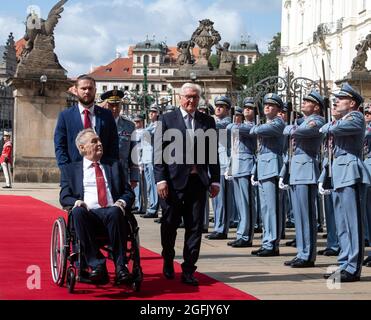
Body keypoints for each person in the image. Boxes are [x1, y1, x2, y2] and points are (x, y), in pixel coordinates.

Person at [154, 82, 220, 286]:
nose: (191, 100)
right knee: (169, 224)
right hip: (172, 183)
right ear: (179, 98)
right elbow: (158, 152)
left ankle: (189, 268)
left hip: (197, 182)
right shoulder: (167, 119)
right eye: (187, 97)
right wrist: (161, 179)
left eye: (195, 97)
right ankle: (167, 259)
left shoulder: (207, 121)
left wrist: (215, 179)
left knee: (195, 227)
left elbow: (212, 152)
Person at [59, 128, 135, 285]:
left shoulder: (114, 165)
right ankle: (96, 264)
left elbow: (129, 193)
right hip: (88, 215)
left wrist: (121, 202)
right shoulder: (71, 170)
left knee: (115, 211)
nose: (99, 143)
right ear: (82, 148)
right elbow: (64, 196)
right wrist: (76, 202)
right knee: (78, 212)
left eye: (99, 140)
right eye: (94, 141)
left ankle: (121, 267)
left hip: (111, 213)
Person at [321, 83, 370, 282]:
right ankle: (344, 263)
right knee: (342, 223)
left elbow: (331, 128)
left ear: (351, 103)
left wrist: (330, 124)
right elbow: (326, 130)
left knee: (352, 223)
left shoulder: (356, 117)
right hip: (339, 173)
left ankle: (353, 267)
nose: (336, 102)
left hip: (351, 172)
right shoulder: (341, 119)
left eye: (340, 99)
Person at [280, 91, 325, 268]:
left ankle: (308, 254)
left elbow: (301, 132)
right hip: (297, 169)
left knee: (306, 215)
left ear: (316, 107)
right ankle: (301, 251)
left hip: (307, 168)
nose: (304, 103)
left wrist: (292, 127)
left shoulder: (318, 121)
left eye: (308, 101)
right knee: (299, 215)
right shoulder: (302, 121)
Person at [54, 75, 119, 167]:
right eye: (83, 88)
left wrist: (111, 168)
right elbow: (60, 145)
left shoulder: (106, 115)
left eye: (90, 88)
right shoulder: (65, 116)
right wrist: (65, 169)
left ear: (95, 91)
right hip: (74, 171)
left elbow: (114, 144)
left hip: (103, 170)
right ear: (76, 91)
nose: (87, 91)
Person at [250, 93, 285, 257]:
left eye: (271, 105)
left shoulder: (278, 122)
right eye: (266, 104)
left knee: (272, 208)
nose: (267, 107)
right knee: (264, 208)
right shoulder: (268, 123)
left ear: (278, 108)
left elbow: (259, 130)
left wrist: (256, 128)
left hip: (272, 167)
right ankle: (266, 240)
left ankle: (272, 243)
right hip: (263, 166)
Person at [226, 105, 256, 247]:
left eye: (250, 108)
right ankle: (240, 233)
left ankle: (246, 236)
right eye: (245, 108)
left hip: (247, 166)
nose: (246, 110)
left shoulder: (252, 127)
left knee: (246, 204)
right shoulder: (239, 126)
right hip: (237, 165)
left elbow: (232, 128)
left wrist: (233, 124)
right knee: (239, 204)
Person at [206, 96, 233, 240]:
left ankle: (222, 228)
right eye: (217, 106)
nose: (218, 108)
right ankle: (218, 226)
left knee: (221, 200)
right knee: (215, 200)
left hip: (224, 165)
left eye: (222, 106)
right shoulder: (216, 123)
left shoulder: (227, 123)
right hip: (216, 165)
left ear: (228, 110)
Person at [101, 89, 139, 189]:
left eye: (117, 105)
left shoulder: (129, 125)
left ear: (121, 105)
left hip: (123, 173)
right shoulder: (100, 123)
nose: (114, 109)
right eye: (111, 106)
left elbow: (133, 153)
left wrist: (134, 177)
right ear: (106, 105)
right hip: (104, 172)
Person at [141, 104, 160, 218]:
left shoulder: (157, 125)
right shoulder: (150, 125)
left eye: (154, 112)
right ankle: (151, 206)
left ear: (157, 113)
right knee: (149, 185)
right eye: (150, 112)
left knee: (153, 185)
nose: (151, 114)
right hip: (147, 158)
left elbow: (147, 133)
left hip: (153, 158)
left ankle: (154, 209)